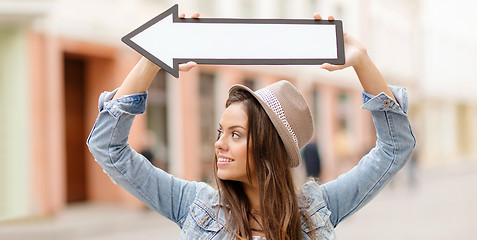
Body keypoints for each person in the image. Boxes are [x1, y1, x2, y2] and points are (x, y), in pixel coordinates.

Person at [87, 12, 415, 240]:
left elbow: (394, 148)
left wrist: (362, 60)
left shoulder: (317, 210)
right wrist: (152, 58)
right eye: (219, 132)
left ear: (268, 147)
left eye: (235, 134)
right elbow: (108, 148)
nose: (219, 144)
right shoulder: (194, 204)